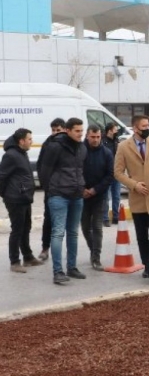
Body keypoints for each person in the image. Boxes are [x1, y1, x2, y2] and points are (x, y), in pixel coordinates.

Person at [114, 115, 149, 279]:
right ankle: (147, 264)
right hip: (138, 198)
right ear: (135, 128)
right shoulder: (124, 147)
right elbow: (118, 172)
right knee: (141, 235)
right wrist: (134, 185)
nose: (147, 129)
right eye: (143, 126)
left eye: (148, 125)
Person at [39, 117, 88, 284]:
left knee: (73, 233)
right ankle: (58, 271)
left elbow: (82, 170)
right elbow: (44, 171)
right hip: (58, 196)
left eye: (82, 131)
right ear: (67, 130)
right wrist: (51, 191)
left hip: (76, 196)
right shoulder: (55, 147)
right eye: (77, 131)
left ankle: (72, 268)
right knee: (58, 233)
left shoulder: (82, 147)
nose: (80, 134)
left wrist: (82, 187)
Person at [0, 128, 42, 273]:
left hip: (24, 197)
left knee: (26, 228)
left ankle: (28, 257)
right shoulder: (11, 155)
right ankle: (14, 261)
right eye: (29, 139)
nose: (32, 141)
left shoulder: (22, 153)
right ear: (21, 141)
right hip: (15, 198)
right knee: (17, 230)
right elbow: (2, 177)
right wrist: (5, 195)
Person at [80, 125, 114, 271]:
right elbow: (74, 171)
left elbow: (110, 175)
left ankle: (96, 257)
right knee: (85, 227)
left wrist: (94, 190)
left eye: (98, 137)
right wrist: (81, 189)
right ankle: (93, 248)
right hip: (81, 196)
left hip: (99, 196)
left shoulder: (107, 153)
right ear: (87, 136)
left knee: (97, 227)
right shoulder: (79, 151)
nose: (95, 140)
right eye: (92, 137)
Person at [37, 117, 65, 261]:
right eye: (53, 130)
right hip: (51, 190)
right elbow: (40, 166)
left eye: (58, 130)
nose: (55, 133)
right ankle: (45, 248)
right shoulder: (47, 144)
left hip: (67, 189)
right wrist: (46, 185)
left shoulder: (69, 145)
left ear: (65, 130)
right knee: (48, 219)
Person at [102, 122, 121, 227]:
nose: (116, 131)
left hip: (116, 173)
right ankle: (105, 218)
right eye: (115, 129)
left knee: (116, 196)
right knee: (106, 197)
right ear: (109, 130)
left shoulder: (116, 141)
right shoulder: (103, 141)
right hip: (106, 173)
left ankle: (115, 217)